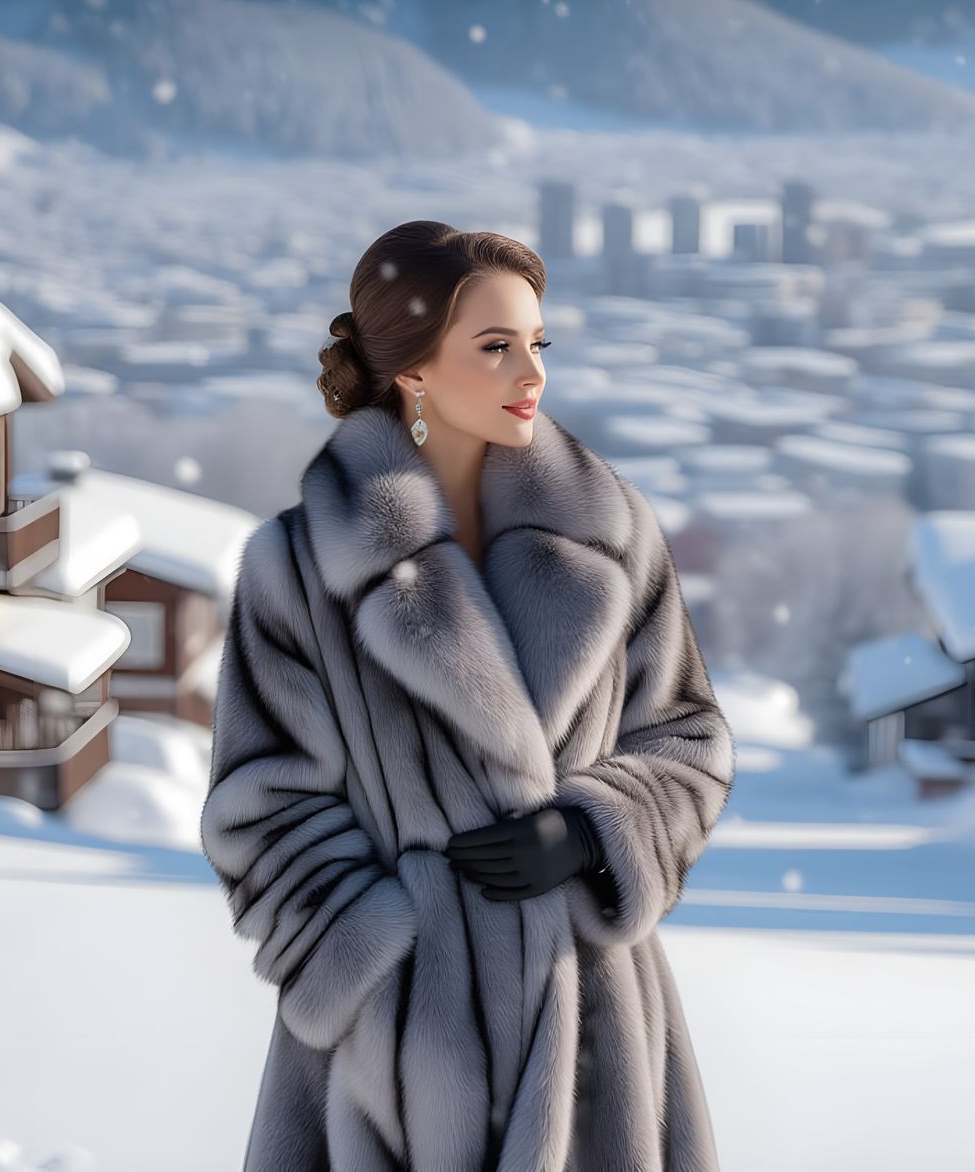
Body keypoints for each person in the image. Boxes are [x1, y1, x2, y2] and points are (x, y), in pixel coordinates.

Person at [200, 219, 736, 1171]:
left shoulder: (613, 535)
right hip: (384, 1066)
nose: (531, 374)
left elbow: (688, 740)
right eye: (496, 348)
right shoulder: (298, 566)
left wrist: (594, 834)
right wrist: (386, 960)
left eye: (539, 344)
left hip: (595, 1046)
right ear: (410, 369)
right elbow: (258, 810)